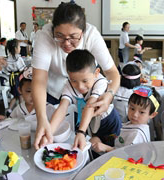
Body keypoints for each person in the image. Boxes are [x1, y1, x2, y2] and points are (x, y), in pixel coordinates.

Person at [32, 2, 120, 149]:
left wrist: (110, 94)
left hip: (85, 88)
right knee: (61, 130)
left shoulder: (92, 35)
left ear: (83, 32)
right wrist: (43, 122)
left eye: (73, 37)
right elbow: (39, 80)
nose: (66, 43)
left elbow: (113, 73)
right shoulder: (44, 36)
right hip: (56, 87)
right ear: (53, 30)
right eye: (59, 36)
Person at [41, 49, 121, 151]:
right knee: (93, 148)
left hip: (108, 122)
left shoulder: (100, 82)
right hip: (88, 122)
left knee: (109, 151)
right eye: (74, 80)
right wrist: (49, 133)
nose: (80, 86)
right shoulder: (69, 85)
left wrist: (81, 132)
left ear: (96, 73)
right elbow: (62, 108)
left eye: (85, 81)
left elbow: (90, 106)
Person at [93, 85, 161, 152]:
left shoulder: (137, 134)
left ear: (152, 114)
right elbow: (121, 137)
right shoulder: (133, 124)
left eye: (141, 112)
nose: (134, 114)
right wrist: (103, 139)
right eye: (132, 108)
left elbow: (127, 155)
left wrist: (106, 148)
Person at [4, 38, 25, 116]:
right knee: (20, 95)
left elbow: (6, 69)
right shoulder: (18, 58)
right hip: (18, 78)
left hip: (11, 79)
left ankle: (9, 110)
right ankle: (21, 111)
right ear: (15, 48)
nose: (20, 48)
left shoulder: (8, 58)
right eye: (19, 46)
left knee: (16, 95)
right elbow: (23, 69)